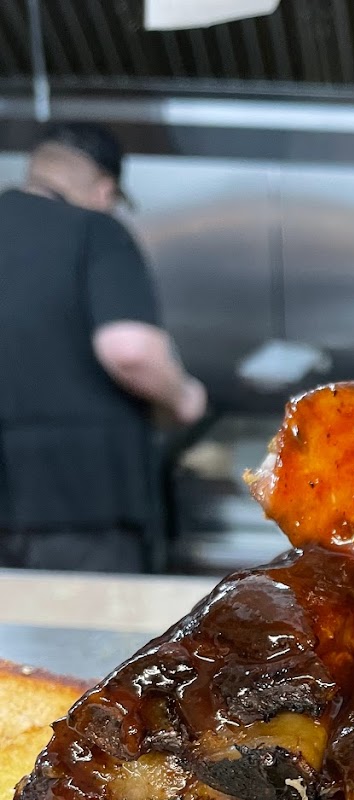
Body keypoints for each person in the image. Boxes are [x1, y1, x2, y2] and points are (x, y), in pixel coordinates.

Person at [0, 121, 207, 573]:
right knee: (84, 622)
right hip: (84, 506)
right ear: (104, 189)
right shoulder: (95, 231)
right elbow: (130, 351)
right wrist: (185, 397)